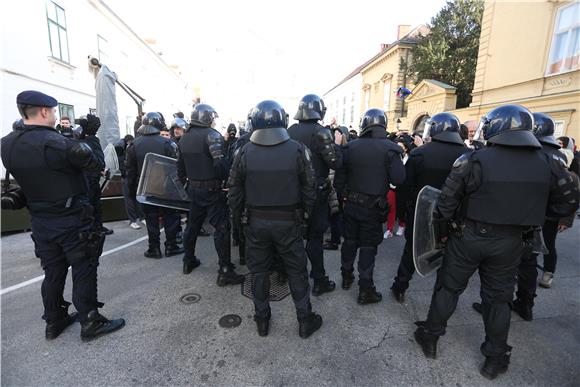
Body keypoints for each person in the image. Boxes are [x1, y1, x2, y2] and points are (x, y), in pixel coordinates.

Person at [413, 105, 578, 380]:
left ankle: (430, 337)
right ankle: (494, 358)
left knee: (449, 288)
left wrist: (450, 228)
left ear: (497, 126)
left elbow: (444, 204)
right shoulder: (550, 161)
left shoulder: (472, 159)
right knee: (498, 300)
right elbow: (569, 202)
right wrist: (532, 212)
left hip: (468, 236)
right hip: (512, 241)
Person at [1, 90, 124, 341]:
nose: (56, 116)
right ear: (45, 111)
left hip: (40, 221)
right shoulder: (58, 143)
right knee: (84, 267)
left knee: (53, 272)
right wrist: (89, 137)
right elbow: (95, 166)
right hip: (71, 219)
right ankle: (90, 321)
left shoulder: (7, 143)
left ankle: (54, 321)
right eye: (55, 111)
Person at [228, 100, 322, 338]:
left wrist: (237, 223)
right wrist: (306, 218)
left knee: (258, 272)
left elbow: (234, 192)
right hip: (289, 222)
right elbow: (310, 189)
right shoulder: (299, 149)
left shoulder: (244, 151)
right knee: (296, 271)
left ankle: (262, 320)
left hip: (256, 223)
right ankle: (304, 320)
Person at [390, 112, 467, 303]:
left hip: (421, 214)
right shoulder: (470, 155)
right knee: (448, 258)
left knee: (411, 251)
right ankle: (440, 300)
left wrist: (402, 214)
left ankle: (400, 286)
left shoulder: (419, 153)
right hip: (454, 217)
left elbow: (404, 188)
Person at [334, 108, 405, 304]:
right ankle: (366, 289)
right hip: (373, 209)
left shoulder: (349, 148)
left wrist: (344, 199)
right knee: (367, 247)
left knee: (349, 242)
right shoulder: (391, 149)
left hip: (351, 206)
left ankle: (347, 277)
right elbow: (399, 179)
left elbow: (338, 182)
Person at [177, 104, 244, 285]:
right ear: (207, 118)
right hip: (212, 190)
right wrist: (227, 183)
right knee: (222, 228)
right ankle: (224, 270)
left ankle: (188, 260)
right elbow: (220, 164)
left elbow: (180, 169)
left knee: (192, 226)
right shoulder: (211, 135)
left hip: (193, 190)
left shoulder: (183, 139)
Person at [287, 94, 342, 296]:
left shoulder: (288, 131)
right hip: (316, 193)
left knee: (293, 239)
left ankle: (295, 279)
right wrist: (336, 143)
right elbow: (335, 162)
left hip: (293, 192)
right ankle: (319, 280)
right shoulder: (321, 132)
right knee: (315, 239)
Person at [126, 112, 184, 258]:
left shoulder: (134, 145)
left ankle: (154, 248)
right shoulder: (167, 143)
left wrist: (132, 191)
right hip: (165, 187)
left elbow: (130, 172)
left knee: (151, 218)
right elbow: (176, 168)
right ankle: (171, 246)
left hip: (145, 187)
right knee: (170, 216)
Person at [75, 115, 113, 236]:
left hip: (83, 178)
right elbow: (99, 161)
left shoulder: (77, 140)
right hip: (91, 179)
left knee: (89, 204)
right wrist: (101, 169)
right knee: (94, 204)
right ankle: (95, 228)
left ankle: (91, 227)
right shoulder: (92, 140)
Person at [114, 134, 144, 230]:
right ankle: (134, 220)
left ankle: (136, 219)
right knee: (132, 198)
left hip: (129, 175)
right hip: (129, 175)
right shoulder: (121, 148)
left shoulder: (123, 146)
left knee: (132, 198)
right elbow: (122, 162)